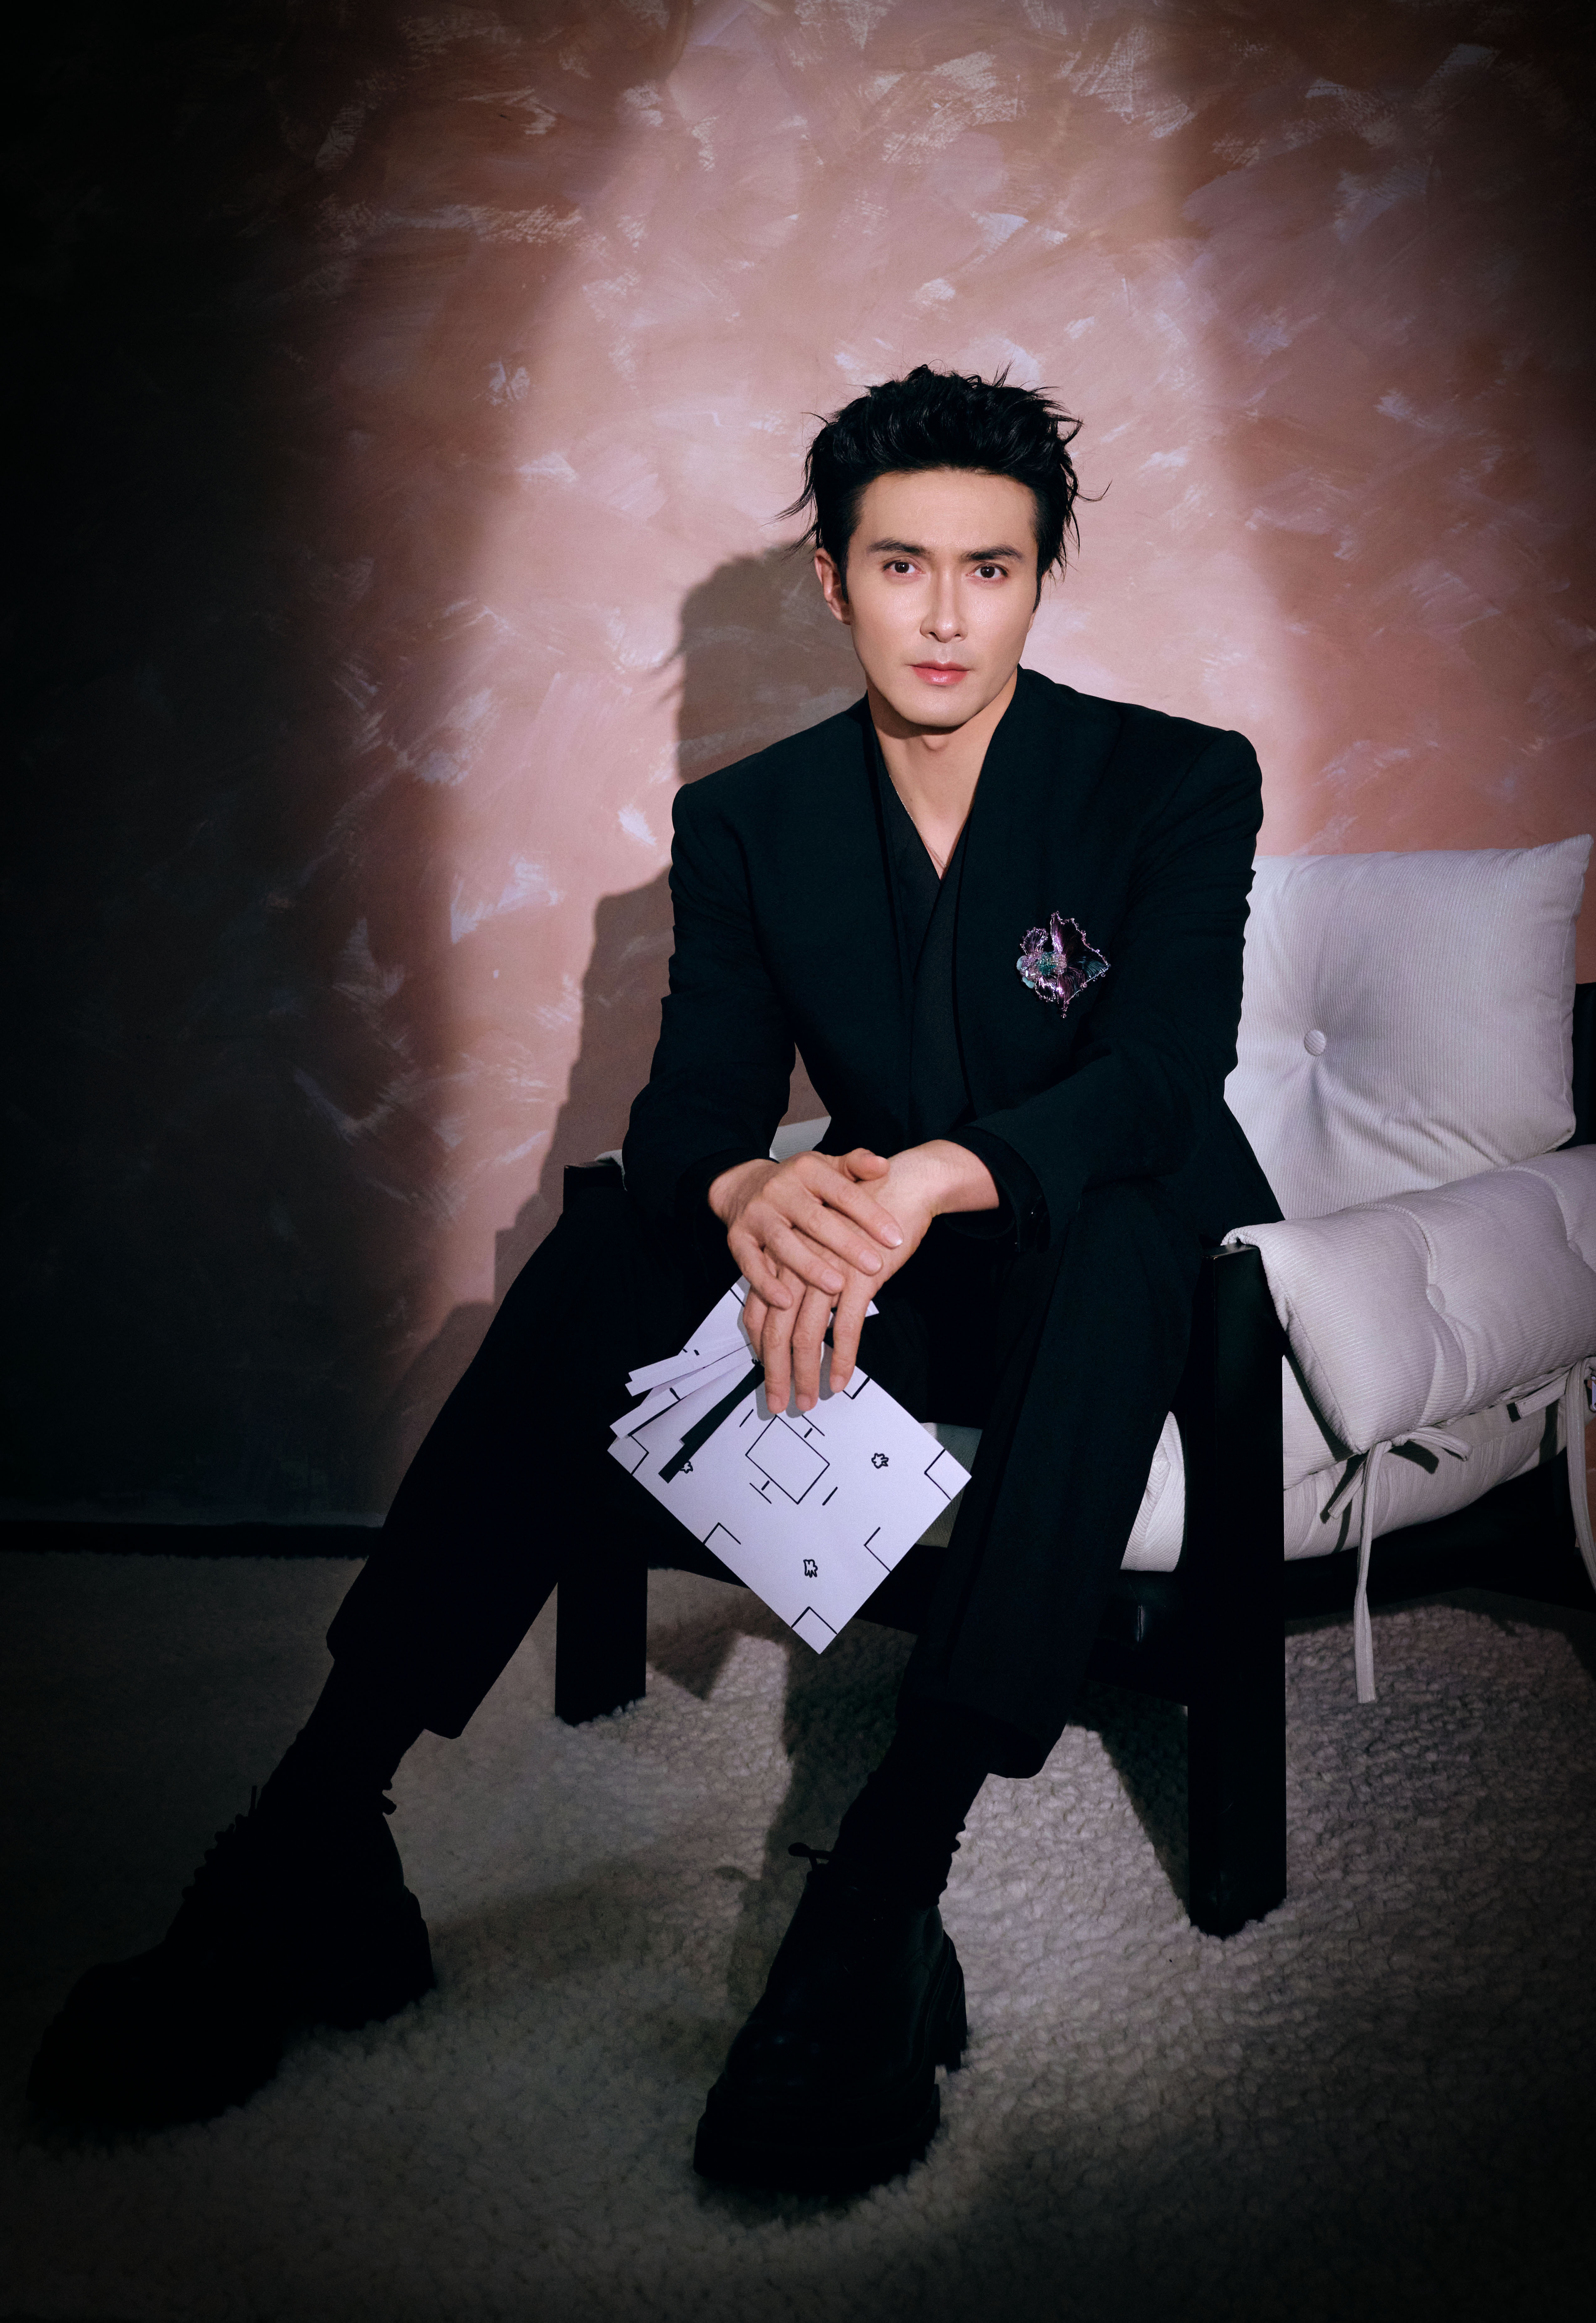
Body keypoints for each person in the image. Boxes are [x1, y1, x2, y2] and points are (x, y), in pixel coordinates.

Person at [30, 366, 1279, 2193]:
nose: (945, 616)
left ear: (1041, 577)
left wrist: (930, 1177)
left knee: (1111, 1232)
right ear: (834, 580)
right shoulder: (753, 816)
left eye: (990, 569)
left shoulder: (1174, 778)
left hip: (1117, 1264)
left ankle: (885, 1885)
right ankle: (313, 1834)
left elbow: (1164, 1073)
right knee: (619, 1231)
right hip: (891, 1263)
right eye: (902, 566)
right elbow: (695, 1104)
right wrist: (752, 1198)